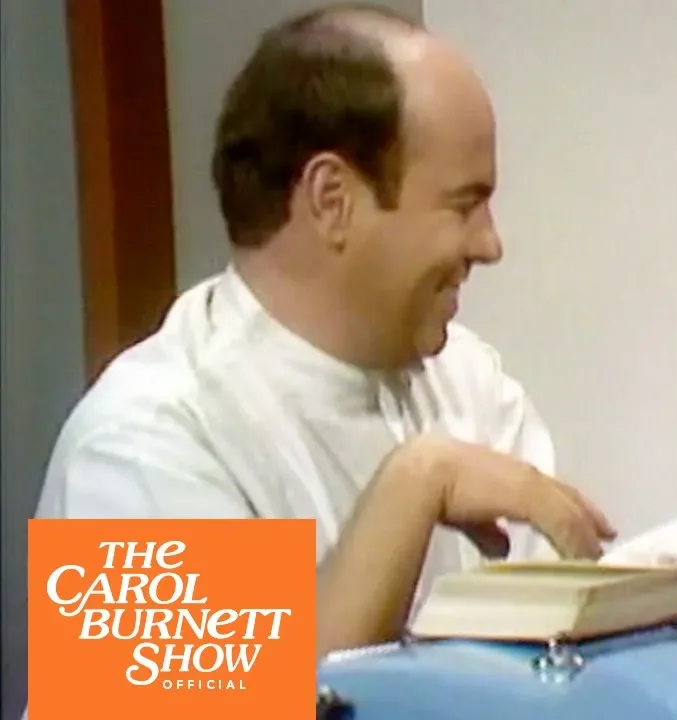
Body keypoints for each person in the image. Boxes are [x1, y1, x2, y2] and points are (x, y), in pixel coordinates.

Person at [35, 4, 615, 657]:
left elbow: (561, 659)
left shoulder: (471, 385)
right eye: (464, 205)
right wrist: (417, 484)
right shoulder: (136, 445)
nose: (490, 244)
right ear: (331, 199)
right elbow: (246, 698)